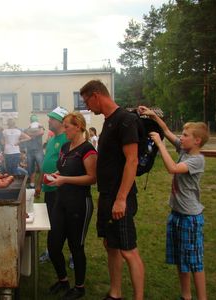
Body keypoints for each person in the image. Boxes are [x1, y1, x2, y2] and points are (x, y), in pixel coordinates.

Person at [80, 80, 144, 300]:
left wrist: (121, 199)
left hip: (120, 198)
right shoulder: (108, 121)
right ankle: (115, 293)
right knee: (111, 245)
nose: (87, 107)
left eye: (87, 101)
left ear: (96, 95)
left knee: (128, 250)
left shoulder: (125, 120)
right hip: (107, 196)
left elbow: (132, 161)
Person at [138, 106, 209, 300]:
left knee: (195, 262)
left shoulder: (197, 160)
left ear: (197, 141)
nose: (181, 137)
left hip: (190, 218)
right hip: (176, 214)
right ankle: (185, 296)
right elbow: (167, 131)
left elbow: (172, 168)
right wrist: (152, 115)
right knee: (180, 259)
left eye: (185, 135)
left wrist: (160, 145)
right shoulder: (185, 149)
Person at [46, 112, 97, 299]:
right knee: (53, 245)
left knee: (76, 246)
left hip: (79, 203)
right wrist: (56, 175)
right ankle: (63, 280)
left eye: (67, 126)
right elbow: (64, 166)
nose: (64, 129)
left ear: (78, 127)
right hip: (61, 201)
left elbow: (92, 178)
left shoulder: (87, 149)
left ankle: (79, 287)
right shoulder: (66, 146)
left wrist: (64, 179)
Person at [36, 107, 69, 263]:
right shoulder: (51, 139)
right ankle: (51, 251)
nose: (48, 121)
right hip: (49, 188)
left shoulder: (67, 139)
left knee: (65, 222)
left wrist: (56, 176)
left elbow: (70, 164)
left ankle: (72, 254)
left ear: (61, 122)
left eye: (52, 119)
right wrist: (38, 183)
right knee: (51, 221)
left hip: (61, 189)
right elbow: (45, 163)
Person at [24, 115, 45, 188]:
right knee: (31, 168)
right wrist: (34, 134)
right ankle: (32, 184)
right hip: (30, 151)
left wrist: (32, 134)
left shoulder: (40, 127)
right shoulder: (29, 128)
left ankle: (42, 183)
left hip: (38, 150)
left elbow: (41, 133)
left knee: (41, 167)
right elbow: (27, 133)